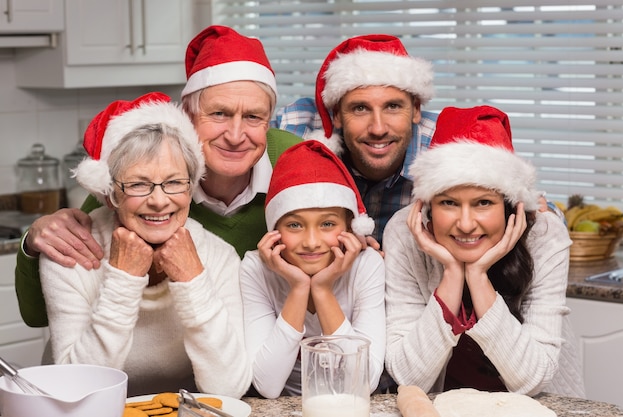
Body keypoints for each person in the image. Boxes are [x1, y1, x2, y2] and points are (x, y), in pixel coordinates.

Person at [15, 25, 302, 328]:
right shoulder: (144, 171)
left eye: (253, 117)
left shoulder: (296, 164)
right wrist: (32, 244)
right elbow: (37, 317)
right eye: (219, 114)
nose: (235, 135)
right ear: (188, 116)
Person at [39, 92, 251, 397]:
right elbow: (75, 390)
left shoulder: (218, 256)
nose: (159, 200)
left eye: (175, 182)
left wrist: (193, 281)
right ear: (111, 193)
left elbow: (228, 389)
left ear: (191, 187)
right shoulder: (72, 251)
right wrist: (122, 282)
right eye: (138, 184)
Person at [383, 105, 585, 397]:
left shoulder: (544, 235)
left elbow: (531, 379)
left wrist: (477, 276)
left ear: (509, 206)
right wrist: (452, 273)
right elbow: (410, 377)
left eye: (483, 203)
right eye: (449, 203)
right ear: (427, 205)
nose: (465, 224)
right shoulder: (404, 233)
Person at [240, 140, 385, 398]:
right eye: (294, 225)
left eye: (327, 224)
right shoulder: (256, 268)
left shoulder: (367, 266)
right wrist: (298, 288)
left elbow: (363, 383)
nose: (311, 242)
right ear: (274, 230)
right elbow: (268, 386)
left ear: (351, 227)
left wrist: (322, 289)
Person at [273, 34, 437, 245]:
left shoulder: (444, 149)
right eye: (360, 108)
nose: (378, 129)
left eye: (393, 107)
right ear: (337, 115)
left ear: (416, 109)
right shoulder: (295, 132)